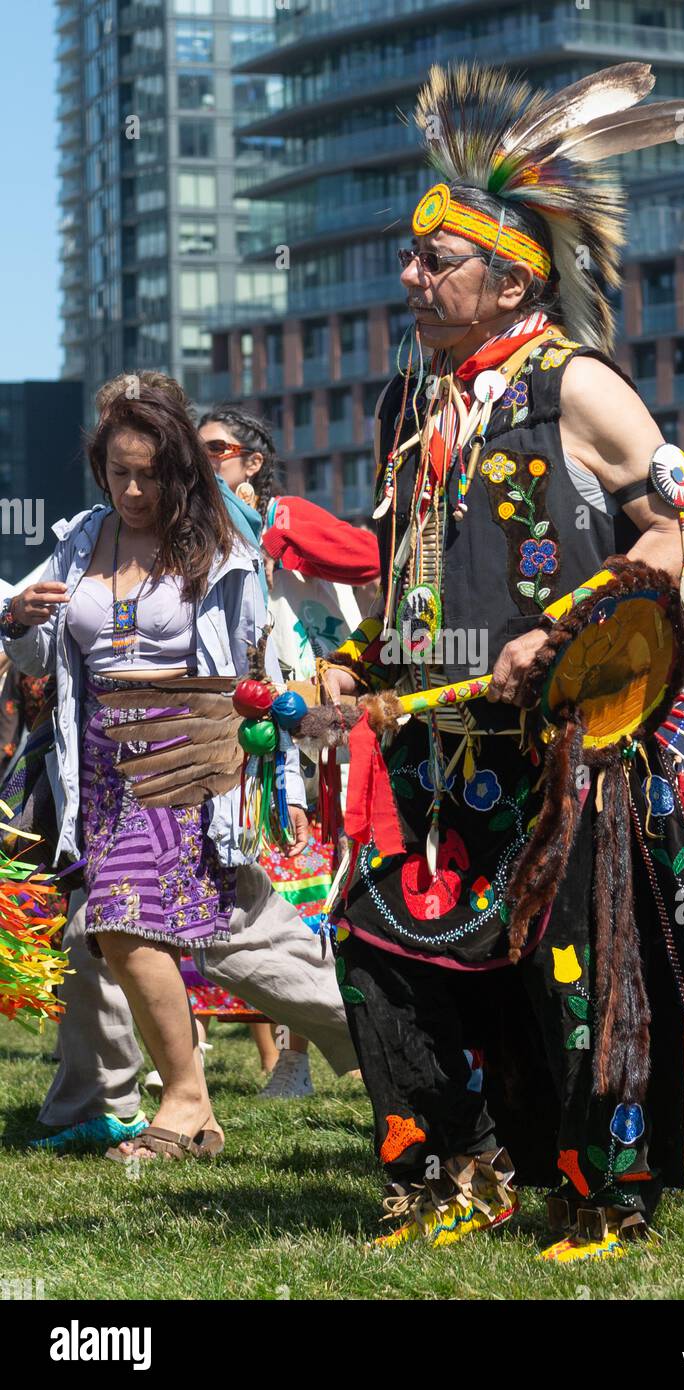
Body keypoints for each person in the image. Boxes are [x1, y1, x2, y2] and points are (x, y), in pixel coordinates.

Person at [313, 61, 684, 1262]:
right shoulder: (406, 403)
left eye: (435, 262)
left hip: (566, 738)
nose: (410, 280)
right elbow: (402, 563)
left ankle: (601, 1191)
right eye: (411, 260)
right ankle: (453, 1170)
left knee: (574, 971)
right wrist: (356, 665)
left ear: (510, 275)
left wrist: (565, 627)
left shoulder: (576, 387)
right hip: (434, 730)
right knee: (379, 943)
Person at [1, 386, 308, 1161]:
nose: (132, 491)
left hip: (183, 753)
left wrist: (288, 780)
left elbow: (263, 674)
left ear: (177, 474)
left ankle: (187, 1098)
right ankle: (132, 1100)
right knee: (115, 931)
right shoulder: (78, 542)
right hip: (96, 766)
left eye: (148, 475)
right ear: (99, 471)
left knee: (122, 919)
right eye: (117, 474)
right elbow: (38, 652)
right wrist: (19, 621)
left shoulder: (218, 547)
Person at [198, 406, 379, 1096]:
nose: (207, 460)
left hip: (337, 730)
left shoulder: (285, 516)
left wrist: (268, 530)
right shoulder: (200, 540)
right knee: (286, 892)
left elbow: (367, 556)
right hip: (262, 740)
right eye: (199, 451)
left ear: (252, 461)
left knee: (337, 889)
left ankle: (354, 1037)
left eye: (220, 448)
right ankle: (293, 1057)